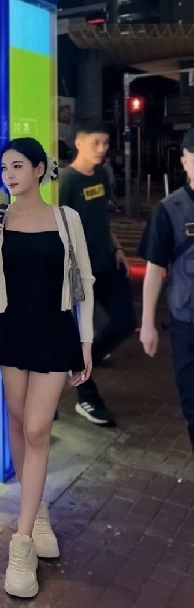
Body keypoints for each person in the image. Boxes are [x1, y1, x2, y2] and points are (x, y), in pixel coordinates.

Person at [0, 137, 94, 599]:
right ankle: (37, 511)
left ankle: (22, 544)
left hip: (53, 331)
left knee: (36, 428)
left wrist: (86, 341)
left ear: (40, 170)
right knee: (15, 418)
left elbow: (85, 281)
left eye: (18, 166)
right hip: (11, 329)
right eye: (4, 167)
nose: (9, 174)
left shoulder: (66, 219)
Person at [59, 120, 136, 426]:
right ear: (79, 143)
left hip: (106, 264)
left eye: (105, 143)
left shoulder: (102, 174)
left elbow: (102, 217)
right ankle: (87, 397)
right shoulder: (66, 181)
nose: (102, 149)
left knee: (125, 322)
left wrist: (117, 247)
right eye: (96, 143)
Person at [138, 129, 194, 451]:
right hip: (187, 324)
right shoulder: (169, 210)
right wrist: (147, 323)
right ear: (184, 162)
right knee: (192, 405)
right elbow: (153, 270)